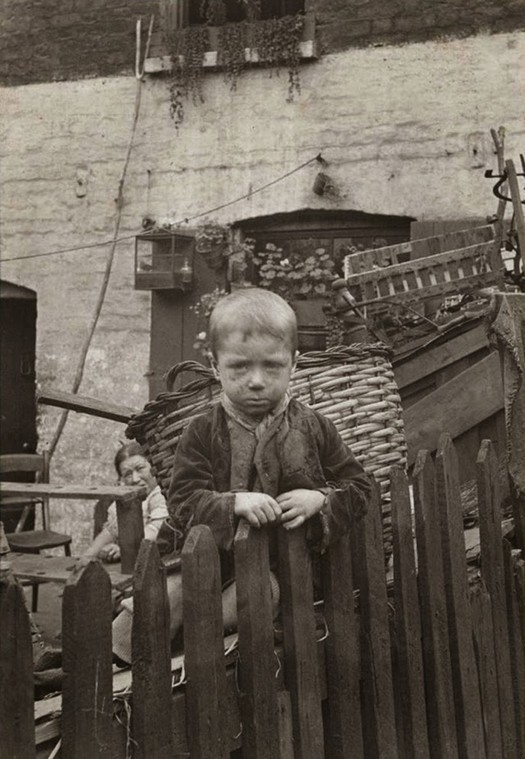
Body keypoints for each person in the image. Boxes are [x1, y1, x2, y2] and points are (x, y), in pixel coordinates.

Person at [112, 288, 371, 664]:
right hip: (208, 562)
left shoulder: (315, 427)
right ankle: (109, 662)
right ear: (215, 365)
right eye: (239, 367)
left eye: (272, 366)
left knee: (259, 594)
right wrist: (233, 503)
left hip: (285, 569)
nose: (255, 380)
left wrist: (321, 500)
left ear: (294, 363)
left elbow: (360, 487)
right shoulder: (201, 431)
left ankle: (186, 646)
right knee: (162, 597)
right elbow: (183, 503)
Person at [80, 441, 168, 565]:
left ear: (153, 466)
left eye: (140, 469)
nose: (135, 479)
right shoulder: (129, 501)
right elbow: (112, 530)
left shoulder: (160, 495)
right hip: (133, 563)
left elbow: (156, 528)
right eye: (128, 474)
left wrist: (125, 549)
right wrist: (91, 554)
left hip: (158, 563)